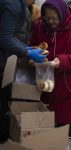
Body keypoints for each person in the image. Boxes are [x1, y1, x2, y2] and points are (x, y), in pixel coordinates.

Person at [30, 0, 71, 143]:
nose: (50, 21)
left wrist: (61, 61)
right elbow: (33, 46)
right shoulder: (40, 26)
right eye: (47, 17)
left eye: (54, 18)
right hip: (46, 88)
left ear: (62, 14)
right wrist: (32, 56)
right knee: (46, 137)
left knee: (69, 138)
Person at [0, 0, 48, 143]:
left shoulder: (18, 4)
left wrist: (28, 48)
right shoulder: (13, 5)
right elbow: (4, 38)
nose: (34, 1)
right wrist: (27, 52)